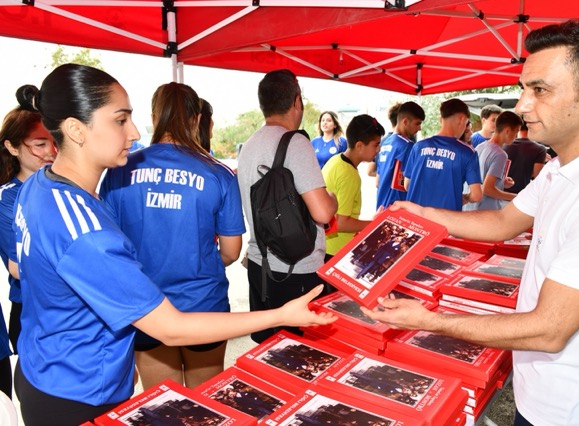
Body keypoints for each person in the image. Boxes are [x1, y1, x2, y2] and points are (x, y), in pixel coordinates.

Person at [10, 63, 336, 426]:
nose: (134, 132)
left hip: (46, 369)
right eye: (120, 120)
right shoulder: (87, 232)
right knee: (203, 409)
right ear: (75, 128)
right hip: (79, 391)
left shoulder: (39, 185)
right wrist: (281, 315)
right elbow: (171, 325)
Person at [363, 20, 579, 426]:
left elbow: (550, 330)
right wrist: (421, 213)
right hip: (538, 389)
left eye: (540, 90)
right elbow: (503, 221)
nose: (523, 105)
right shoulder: (561, 168)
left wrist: (428, 321)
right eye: (525, 88)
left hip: (573, 409)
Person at [100, 83, 245, 390]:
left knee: (162, 404)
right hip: (204, 305)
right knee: (206, 402)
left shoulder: (119, 171)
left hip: (145, 305)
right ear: (196, 119)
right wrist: (196, 261)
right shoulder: (219, 173)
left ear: (154, 116)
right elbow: (232, 251)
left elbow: (109, 244)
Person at [237, 69, 338, 344]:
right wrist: (332, 197)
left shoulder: (249, 145)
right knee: (301, 352)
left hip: (259, 266)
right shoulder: (296, 142)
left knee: (268, 349)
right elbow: (322, 212)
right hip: (297, 270)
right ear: (296, 101)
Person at [0, 104, 57, 397]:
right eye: (39, 144)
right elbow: (17, 267)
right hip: (33, 312)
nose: (51, 151)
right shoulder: (7, 198)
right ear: (12, 147)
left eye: (54, 142)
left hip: (70, 308)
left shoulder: (64, 188)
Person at [322, 114, 384, 258]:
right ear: (359, 146)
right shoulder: (349, 175)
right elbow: (341, 223)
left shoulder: (336, 160)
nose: (379, 149)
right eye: (375, 145)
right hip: (335, 250)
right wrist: (375, 224)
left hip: (325, 244)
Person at [403, 98, 482, 211]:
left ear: (441, 120)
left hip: (415, 216)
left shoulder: (418, 146)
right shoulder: (468, 152)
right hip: (446, 218)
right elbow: (476, 195)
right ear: (461, 119)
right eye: (466, 124)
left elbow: (407, 185)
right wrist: (465, 198)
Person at [465, 111, 521, 211]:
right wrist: (517, 197)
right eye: (516, 132)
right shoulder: (500, 154)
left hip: (470, 207)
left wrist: (501, 182)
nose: (516, 136)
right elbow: (487, 189)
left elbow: (481, 178)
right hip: (484, 210)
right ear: (507, 131)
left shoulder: (480, 146)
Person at [375, 101, 424, 209]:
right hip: (398, 209)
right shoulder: (408, 146)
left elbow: (377, 182)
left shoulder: (385, 144)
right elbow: (408, 185)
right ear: (405, 121)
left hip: (381, 208)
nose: (419, 128)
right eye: (417, 123)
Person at [504, 121, 548, 194]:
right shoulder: (540, 149)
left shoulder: (504, 144)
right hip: (522, 194)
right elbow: (537, 176)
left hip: (500, 192)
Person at [367, 101, 402, 180]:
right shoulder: (407, 143)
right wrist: (391, 177)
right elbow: (370, 171)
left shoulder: (381, 141)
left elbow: (370, 171)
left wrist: (383, 175)